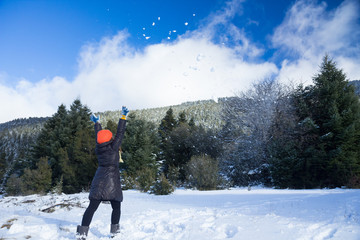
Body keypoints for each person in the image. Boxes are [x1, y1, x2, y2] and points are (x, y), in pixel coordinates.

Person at [76, 106, 129, 240]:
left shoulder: (99, 148)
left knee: (92, 207)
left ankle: (82, 233)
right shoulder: (113, 147)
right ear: (110, 139)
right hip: (112, 180)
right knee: (116, 207)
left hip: (99, 179)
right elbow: (120, 132)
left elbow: (99, 136)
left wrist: (97, 124)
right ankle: (114, 232)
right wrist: (123, 117)